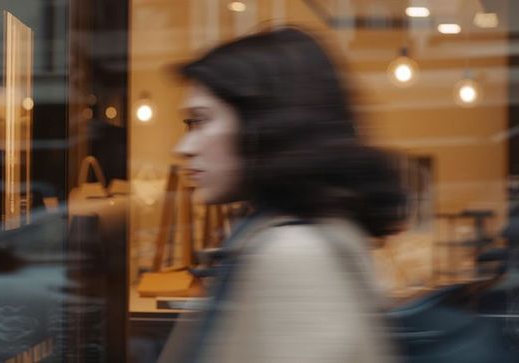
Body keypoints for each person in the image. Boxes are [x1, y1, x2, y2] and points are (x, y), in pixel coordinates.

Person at [157, 26, 407, 363]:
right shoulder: (287, 236)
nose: (183, 148)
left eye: (199, 122)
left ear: (261, 125)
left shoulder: (294, 254)